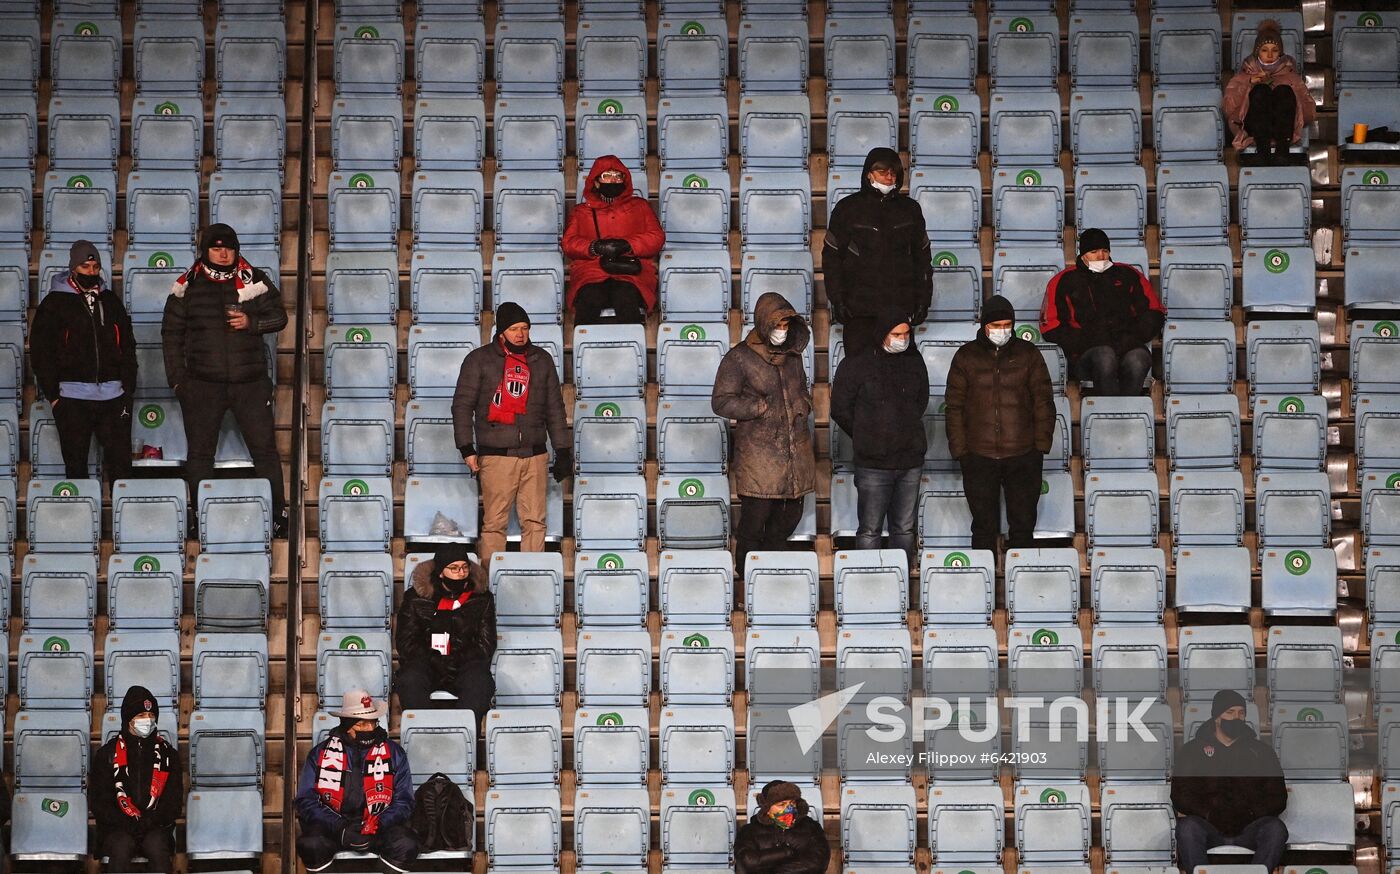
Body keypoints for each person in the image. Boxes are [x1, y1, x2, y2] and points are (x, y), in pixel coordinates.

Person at [162, 223, 289, 536]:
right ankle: (199, 519)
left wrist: (251, 321)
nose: (222, 253)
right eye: (216, 247)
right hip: (203, 385)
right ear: (206, 250)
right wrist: (179, 381)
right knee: (200, 455)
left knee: (266, 452)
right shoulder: (187, 285)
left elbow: (280, 317)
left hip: (250, 382)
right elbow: (171, 334)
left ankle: (278, 517)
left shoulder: (254, 279)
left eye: (228, 248)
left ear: (236, 250)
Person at [452, 301, 569, 563]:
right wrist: (466, 448)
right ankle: (490, 586)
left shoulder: (542, 359)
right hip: (496, 456)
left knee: (536, 522)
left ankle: (533, 578)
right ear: (501, 331)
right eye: (514, 328)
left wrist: (562, 449)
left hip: (535, 455)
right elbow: (462, 406)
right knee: (494, 522)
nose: (520, 334)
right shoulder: (479, 359)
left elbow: (555, 408)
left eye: (525, 328)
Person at [712, 292, 816, 575]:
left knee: (789, 516)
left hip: (796, 452)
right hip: (759, 455)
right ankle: (747, 578)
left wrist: (803, 404)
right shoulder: (739, 358)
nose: (782, 332)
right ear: (763, 324)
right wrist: (756, 407)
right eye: (777, 325)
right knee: (754, 522)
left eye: (786, 326)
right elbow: (721, 401)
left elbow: (802, 389)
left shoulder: (793, 357)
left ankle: (771, 578)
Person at [946, 295, 1055, 553]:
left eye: (1007, 325)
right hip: (978, 455)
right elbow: (954, 407)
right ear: (984, 326)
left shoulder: (1029, 354)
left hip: (1024, 454)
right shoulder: (965, 357)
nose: (1002, 331)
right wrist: (961, 452)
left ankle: (1022, 585)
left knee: (1023, 525)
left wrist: (1040, 446)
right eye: (996, 326)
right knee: (983, 527)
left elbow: (1043, 401)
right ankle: (982, 587)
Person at [30, 240, 138, 483]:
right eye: (85, 266)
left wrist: (127, 390)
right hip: (72, 398)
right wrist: (54, 395)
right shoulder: (54, 303)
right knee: (76, 468)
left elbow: (128, 346)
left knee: (122, 468)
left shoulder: (110, 300)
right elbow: (41, 351)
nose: (91, 272)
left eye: (95, 267)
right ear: (73, 267)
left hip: (113, 396)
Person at [829, 306, 929, 563]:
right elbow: (840, 409)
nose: (902, 339)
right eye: (897, 333)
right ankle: (868, 583)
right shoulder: (856, 365)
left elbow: (921, 401)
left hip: (909, 461)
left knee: (905, 529)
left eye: (906, 334)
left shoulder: (915, 361)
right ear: (882, 333)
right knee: (870, 530)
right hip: (873, 463)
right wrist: (866, 434)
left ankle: (903, 584)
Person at [822, 147, 933, 357]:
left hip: (899, 311)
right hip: (859, 312)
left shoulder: (910, 210)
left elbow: (923, 260)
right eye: (883, 172)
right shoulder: (847, 209)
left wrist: (922, 301)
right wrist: (837, 300)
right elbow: (831, 259)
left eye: (894, 173)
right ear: (868, 174)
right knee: (860, 374)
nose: (889, 177)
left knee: (899, 375)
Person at [295, 689, 419, 874]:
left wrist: (378, 824)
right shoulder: (319, 754)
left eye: (373, 722)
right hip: (334, 827)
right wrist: (340, 828)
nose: (370, 729)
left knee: (406, 843)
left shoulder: (394, 753)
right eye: (362, 724)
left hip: (379, 826)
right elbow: (306, 801)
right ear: (348, 725)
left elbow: (404, 801)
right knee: (310, 844)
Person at [1039, 228, 1166, 397]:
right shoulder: (1063, 281)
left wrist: (1131, 336)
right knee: (1105, 356)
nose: (1101, 256)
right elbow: (1051, 326)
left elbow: (1153, 312)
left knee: (1139, 359)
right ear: (1083, 254)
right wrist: (1091, 339)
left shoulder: (1128, 274)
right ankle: (1110, 415)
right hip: (1086, 353)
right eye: (1094, 252)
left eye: (1105, 251)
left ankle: (1127, 412)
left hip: (1127, 346)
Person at [1172, 689, 1289, 873]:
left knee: (1276, 829)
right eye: (1230, 712)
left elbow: (1278, 796)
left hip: (1249, 827)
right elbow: (1180, 794)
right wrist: (1209, 813)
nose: (1237, 717)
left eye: (1241, 713)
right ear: (1217, 717)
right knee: (1187, 828)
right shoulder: (1192, 750)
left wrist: (1251, 813)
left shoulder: (1261, 751)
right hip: (1208, 826)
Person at [395, 543, 497, 731]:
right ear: (441, 572)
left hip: (464, 663)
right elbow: (406, 641)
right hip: (427, 662)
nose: (461, 573)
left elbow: (486, 643)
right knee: (409, 680)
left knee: (481, 683)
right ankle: (422, 736)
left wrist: (457, 657)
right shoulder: (415, 598)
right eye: (454, 568)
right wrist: (433, 657)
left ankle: (463, 737)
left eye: (465, 567)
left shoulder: (482, 599)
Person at [561, 155, 665, 325]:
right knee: (589, 298)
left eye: (618, 176)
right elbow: (569, 242)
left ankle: (632, 347)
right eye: (607, 175)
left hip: (629, 270)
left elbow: (656, 237)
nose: (613, 180)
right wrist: (595, 247)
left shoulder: (640, 206)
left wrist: (628, 245)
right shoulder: (581, 211)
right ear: (595, 181)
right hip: (592, 271)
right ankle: (587, 347)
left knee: (625, 296)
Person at [89, 686, 182, 872]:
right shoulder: (106, 755)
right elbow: (99, 802)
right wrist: (127, 823)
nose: (147, 720)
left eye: (151, 715)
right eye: (140, 715)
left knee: (157, 848)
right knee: (121, 847)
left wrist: (148, 822)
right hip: (117, 828)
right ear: (128, 719)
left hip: (155, 827)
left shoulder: (168, 755)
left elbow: (173, 803)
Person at [1223, 19, 1314, 165]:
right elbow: (1229, 109)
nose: (1270, 55)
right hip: (1253, 131)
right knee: (1261, 91)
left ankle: (1282, 150)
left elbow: (1310, 114)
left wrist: (1294, 98)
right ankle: (1262, 149)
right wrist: (1248, 85)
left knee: (1284, 91)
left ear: (1280, 52)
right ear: (1257, 51)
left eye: (1275, 50)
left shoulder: (1292, 77)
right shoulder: (1243, 77)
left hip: (1284, 131)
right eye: (1265, 50)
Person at [734, 780, 830, 874]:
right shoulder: (749, 831)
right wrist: (786, 852)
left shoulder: (811, 826)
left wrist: (779, 870)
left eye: (792, 803)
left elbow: (818, 862)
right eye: (781, 804)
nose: (789, 809)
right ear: (767, 809)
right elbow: (748, 862)